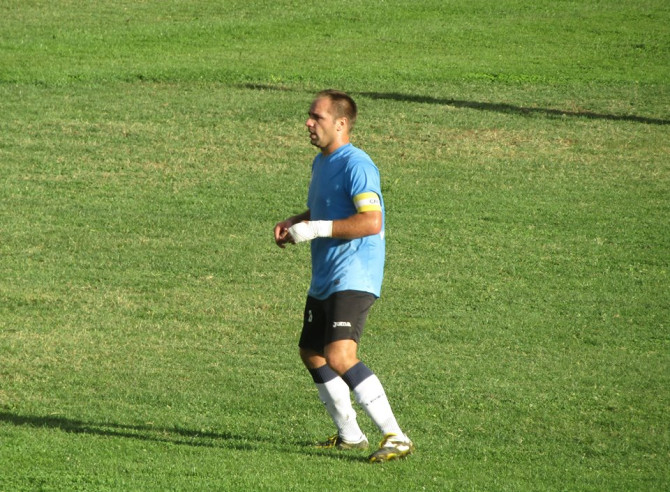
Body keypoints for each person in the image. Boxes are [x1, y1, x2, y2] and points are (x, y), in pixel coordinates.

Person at [273, 89, 414, 463]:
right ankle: (350, 436)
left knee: (339, 354)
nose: (308, 122)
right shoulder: (321, 163)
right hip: (326, 275)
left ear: (340, 124)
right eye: (309, 115)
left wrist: (316, 229)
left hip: (354, 274)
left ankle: (396, 436)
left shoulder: (358, 165)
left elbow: (371, 221)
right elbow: (326, 208)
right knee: (312, 352)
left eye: (316, 117)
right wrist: (296, 221)